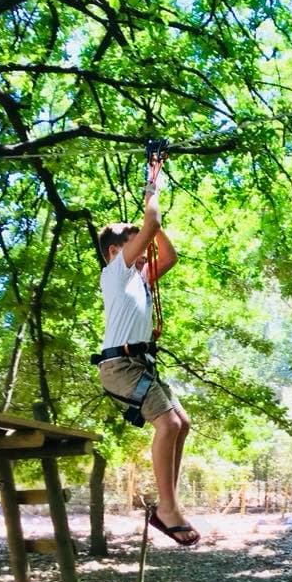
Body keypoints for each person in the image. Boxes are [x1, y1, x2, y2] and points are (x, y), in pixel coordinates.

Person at [95, 166, 199, 545]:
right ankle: (167, 509)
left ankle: (167, 504)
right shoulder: (116, 273)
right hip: (119, 366)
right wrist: (151, 189)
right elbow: (151, 220)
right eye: (135, 241)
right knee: (168, 425)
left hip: (138, 365)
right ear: (114, 252)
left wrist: (152, 230)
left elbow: (169, 256)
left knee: (181, 424)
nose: (144, 246)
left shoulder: (138, 280)